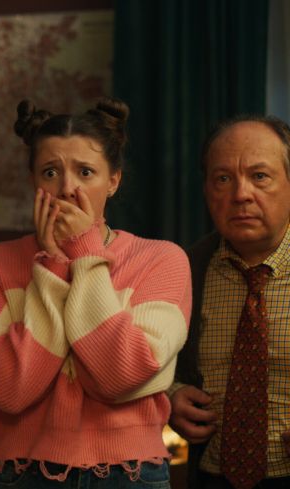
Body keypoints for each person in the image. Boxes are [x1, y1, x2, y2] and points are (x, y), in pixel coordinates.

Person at [0, 97, 192, 488]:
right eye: (50, 172)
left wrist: (85, 253)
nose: (67, 189)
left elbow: (119, 375)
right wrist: (52, 265)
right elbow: (11, 391)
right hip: (21, 472)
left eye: (86, 172)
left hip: (130, 473)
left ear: (113, 181)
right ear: (33, 180)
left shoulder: (162, 260)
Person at [169, 116, 290, 489]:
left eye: (260, 176)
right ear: (207, 190)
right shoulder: (182, 269)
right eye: (223, 179)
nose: (241, 194)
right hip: (210, 476)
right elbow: (149, 366)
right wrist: (170, 397)